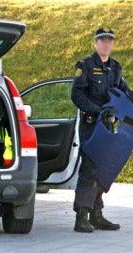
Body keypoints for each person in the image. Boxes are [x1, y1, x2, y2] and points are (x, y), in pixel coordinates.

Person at [71, 28, 131, 233]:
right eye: (102, 41)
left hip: (107, 126)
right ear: (95, 43)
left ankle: (96, 215)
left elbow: (124, 93)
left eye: (109, 41)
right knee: (89, 167)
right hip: (91, 124)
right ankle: (81, 216)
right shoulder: (86, 66)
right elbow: (77, 95)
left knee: (104, 168)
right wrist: (98, 111)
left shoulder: (115, 68)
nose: (106, 44)